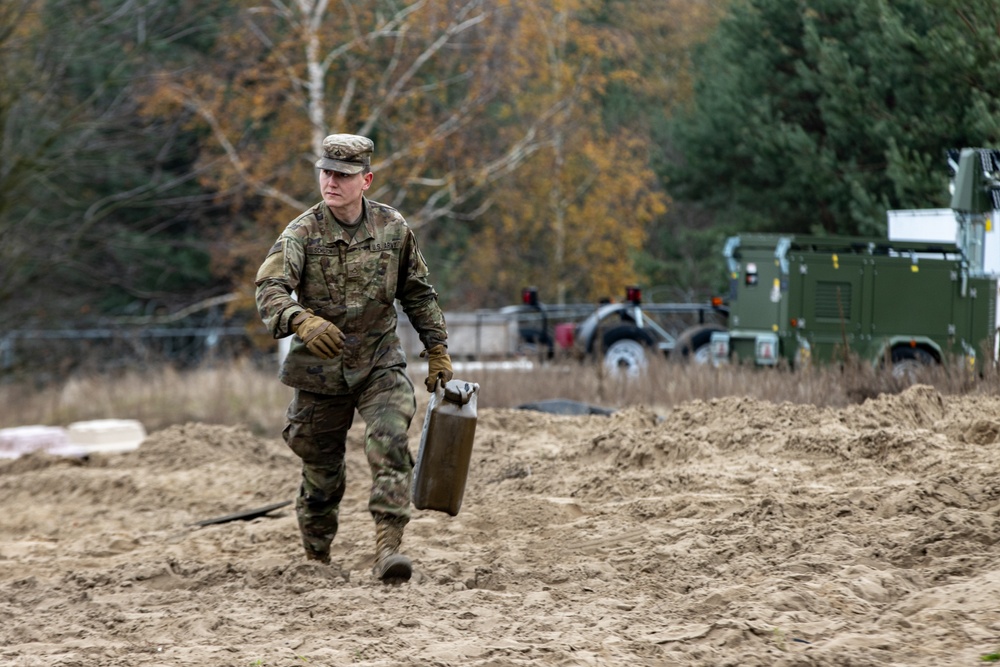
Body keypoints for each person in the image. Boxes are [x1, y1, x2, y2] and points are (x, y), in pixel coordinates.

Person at [254, 133, 453, 582]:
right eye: (326, 172)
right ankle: (317, 558)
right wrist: (300, 320)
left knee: (389, 442)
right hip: (320, 371)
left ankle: (388, 549)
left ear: (365, 180)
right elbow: (268, 289)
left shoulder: (392, 228)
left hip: (379, 360)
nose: (331, 182)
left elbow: (417, 292)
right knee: (322, 474)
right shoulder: (301, 232)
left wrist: (437, 348)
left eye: (342, 175)